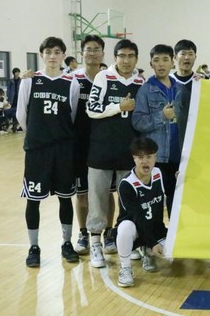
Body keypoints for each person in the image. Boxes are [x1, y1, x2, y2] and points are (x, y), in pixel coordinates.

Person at [17, 36, 80, 267]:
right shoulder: (30, 81)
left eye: (57, 52)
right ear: (41, 55)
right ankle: (34, 247)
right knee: (33, 200)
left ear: (63, 55)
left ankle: (66, 243)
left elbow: (72, 115)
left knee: (65, 197)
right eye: (48, 52)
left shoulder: (71, 83)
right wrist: (37, 135)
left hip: (62, 150)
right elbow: (21, 115)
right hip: (37, 150)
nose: (52, 56)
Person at [86, 39, 144, 269]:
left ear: (136, 59)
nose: (126, 60)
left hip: (128, 152)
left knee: (128, 200)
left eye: (130, 56)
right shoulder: (104, 77)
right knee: (97, 199)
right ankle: (95, 243)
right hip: (101, 149)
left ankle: (128, 242)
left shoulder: (141, 82)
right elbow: (92, 109)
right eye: (122, 56)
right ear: (115, 57)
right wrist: (119, 107)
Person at [72, 35, 118, 256]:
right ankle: (83, 233)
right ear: (82, 53)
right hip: (80, 146)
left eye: (96, 49)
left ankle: (109, 232)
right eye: (88, 49)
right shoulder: (73, 79)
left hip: (104, 145)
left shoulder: (109, 78)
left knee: (105, 192)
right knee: (82, 194)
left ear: (103, 53)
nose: (92, 53)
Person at [133, 44, 181, 218]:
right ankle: (155, 233)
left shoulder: (180, 89)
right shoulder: (145, 90)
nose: (161, 64)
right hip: (156, 157)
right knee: (154, 202)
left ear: (172, 62)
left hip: (178, 156)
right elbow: (138, 122)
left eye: (165, 60)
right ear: (151, 64)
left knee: (176, 200)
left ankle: (173, 232)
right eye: (156, 60)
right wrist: (162, 116)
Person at [115, 137, 167, 287]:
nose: (145, 161)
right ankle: (125, 268)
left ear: (155, 157)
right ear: (134, 158)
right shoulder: (127, 184)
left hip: (155, 228)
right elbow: (137, 217)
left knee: (173, 253)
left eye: (149, 157)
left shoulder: (159, 174)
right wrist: (152, 243)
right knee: (125, 228)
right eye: (140, 157)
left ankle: (147, 252)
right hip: (136, 231)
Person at [6, 67, 21, 131]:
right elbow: (8, 90)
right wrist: (8, 98)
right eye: (16, 72)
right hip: (12, 98)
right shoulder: (11, 81)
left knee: (17, 112)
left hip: (19, 98)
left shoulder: (21, 80)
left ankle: (15, 124)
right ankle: (13, 124)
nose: (17, 73)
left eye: (18, 72)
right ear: (14, 73)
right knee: (12, 111)